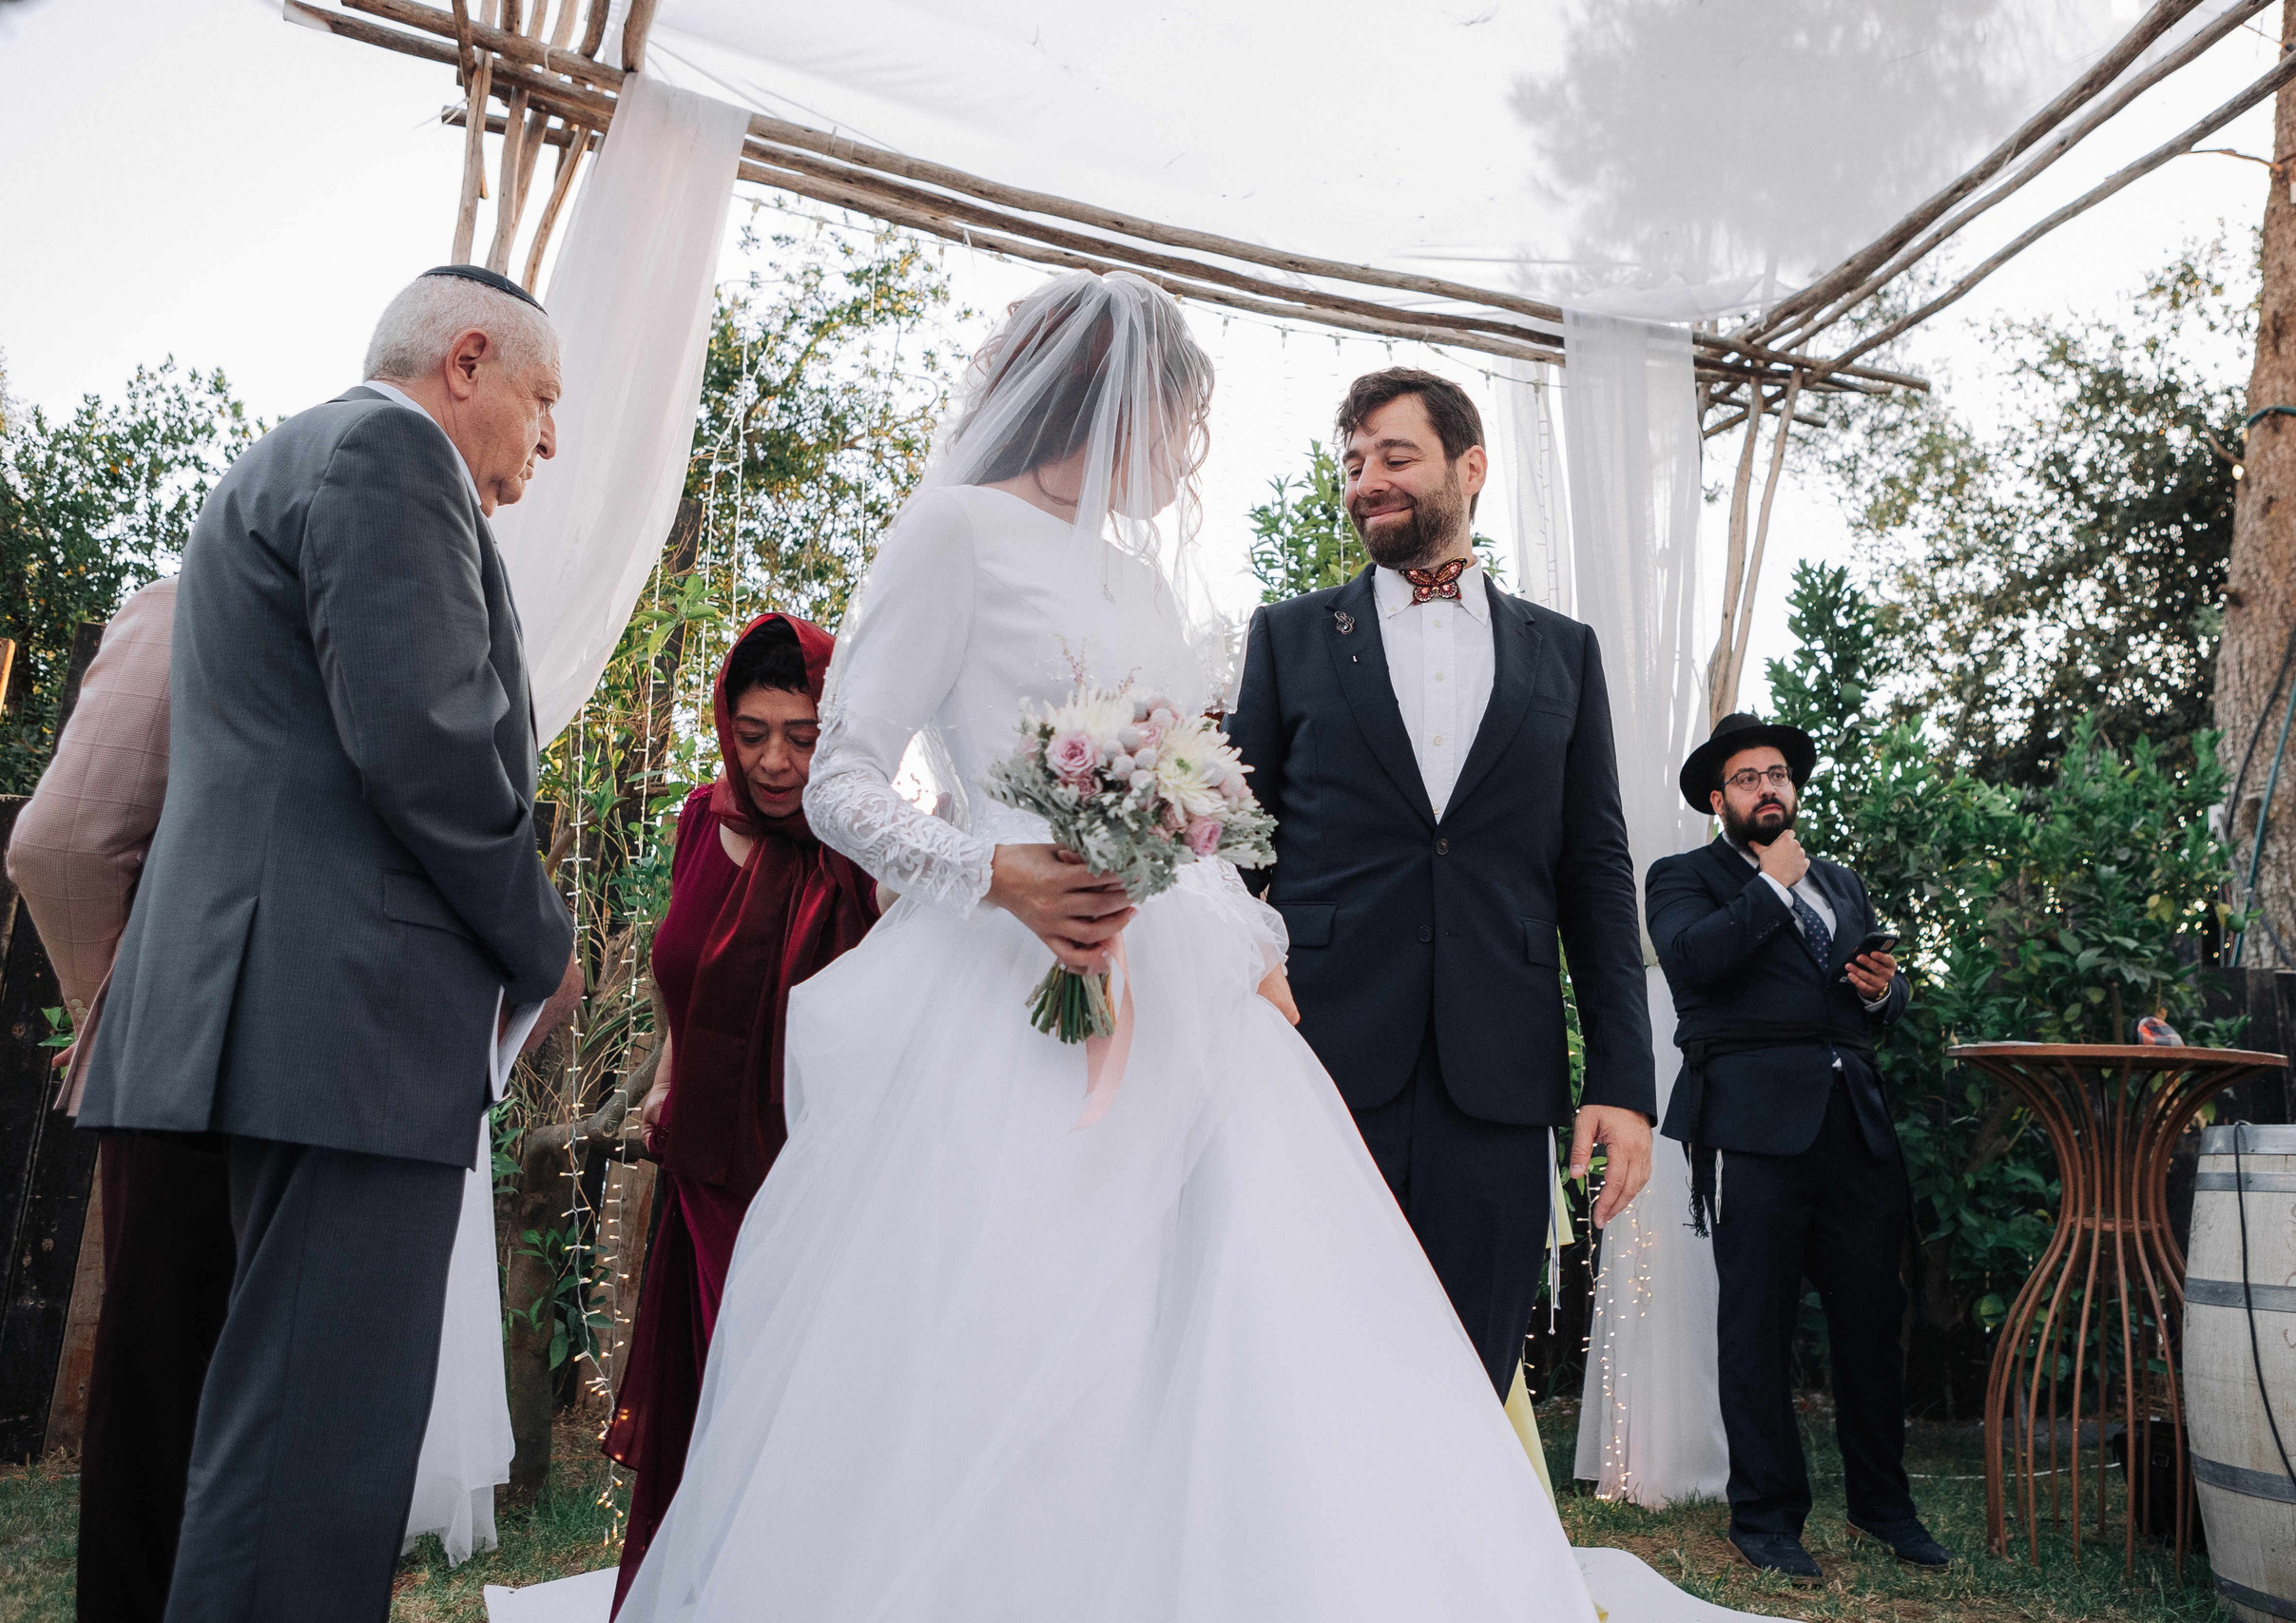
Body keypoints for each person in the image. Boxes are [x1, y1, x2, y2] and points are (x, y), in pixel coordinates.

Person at [616, 273, 1603, 1621]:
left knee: (1225, 1323)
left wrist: (1253, 938)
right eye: (1180, 419)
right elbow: (845, 777)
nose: (1186, 454)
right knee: (1018, 1323)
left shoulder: (1137, 576)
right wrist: (995, 874)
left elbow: (1196, 807)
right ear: (1112, 400)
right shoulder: (952, 534)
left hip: (1186, 984)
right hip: (1003, 983)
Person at [73, 263, 584, 1622]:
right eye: (544, 400)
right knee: (315, 1453)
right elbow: (426, 742)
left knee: (261, 1434)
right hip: (341, 1023)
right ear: (465, 360)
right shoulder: (386, 451)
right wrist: (543, 936)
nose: (549, 441)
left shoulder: (295, 456)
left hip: (273, 1013)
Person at [1225, 367, 1657, 1406]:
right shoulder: (1287, 640)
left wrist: (1624, 1082)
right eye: (1352, 463)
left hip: (1497, 1076)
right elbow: (1233, 854)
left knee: (1468, 1374)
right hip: (1317, 1056)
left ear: (1471, 466)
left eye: (1394, 455)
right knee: (1309, 1370)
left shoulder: (1566, 653)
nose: (1366, 479)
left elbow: (1594, 872)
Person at [603, 613, 880, 1607]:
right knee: (705, 1398)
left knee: (777, 1403)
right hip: (701, 1169)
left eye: (802, 736)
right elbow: (681, 974)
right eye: (753, 731)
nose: (774, 760)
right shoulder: (692, 821)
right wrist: (672, 1074)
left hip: (806, 1181)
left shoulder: (865, 850)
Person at [1645, 711, 1948, 1580]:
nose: (1768, 786)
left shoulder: (1841, 881)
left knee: (1871, 1322)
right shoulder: (1684, 878)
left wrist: (1883, 992)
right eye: (1748, 777)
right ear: (1718, 799)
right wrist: (1771, 885)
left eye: (1778, 773)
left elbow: (1868, 1013)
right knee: (1758, 1323)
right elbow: (1694, 964)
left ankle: (1884, 1506)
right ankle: (1766, 1517)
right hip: (1752, 1121)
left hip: (1853, 1119)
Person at [6, 578, 208, 1623]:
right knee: (158, 1421)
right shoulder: (194, 605)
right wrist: (120, 1007)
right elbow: (63, 838)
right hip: (189, 1080)